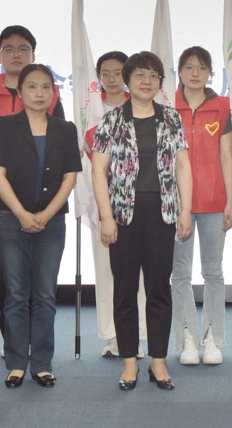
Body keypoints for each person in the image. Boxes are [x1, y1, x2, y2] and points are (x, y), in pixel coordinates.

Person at [91, 51, 193, 391]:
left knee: (159, 289)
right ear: (127, 80)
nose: (146, 82)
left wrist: (185, 210)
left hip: (162, 214)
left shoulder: (171, 118)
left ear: (160, 83)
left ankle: (158, 362)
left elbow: (183, 166)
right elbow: (98, 171)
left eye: (153, 76)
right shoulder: (111, 120)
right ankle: (130, 363)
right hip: (123, 217)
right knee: (124, 290)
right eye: (139, 75)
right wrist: (106, 217)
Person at [0, 64, 82, 388]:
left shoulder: (65, 129)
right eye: (32, 87)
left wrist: (45, 214)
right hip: (10, 220)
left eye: (45, 87)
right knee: (15, 294)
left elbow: (70, 177)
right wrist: (22, 214)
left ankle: (41, 363)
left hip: (51, 222)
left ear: (53, 92)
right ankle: (16, 363)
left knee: (45, 295)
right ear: (20, 91)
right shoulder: (4, 126)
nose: (39, 93)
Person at [0, 25, 64, 346]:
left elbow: (61, 150)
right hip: (1, 200)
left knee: (41, 281)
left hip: (44, 203)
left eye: (23, 49)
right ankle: (14, 342)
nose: (16, 55)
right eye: (9, 49)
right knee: (8, 278)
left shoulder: (50, 97)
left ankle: (37, 343)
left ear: (33, 54)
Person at [172, 46, 232, 365]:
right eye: (189, 67)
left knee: (213, 271)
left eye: (202, 67)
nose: (195, 73)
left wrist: (230, 201)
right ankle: (187, 338)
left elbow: (226, 155)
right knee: (180, 274)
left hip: (213, 201)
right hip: (176, 204)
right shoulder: (167, 106)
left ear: (211, 72)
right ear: (179, 72)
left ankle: (212, 338)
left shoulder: (222, 106)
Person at [85, 50, 148, 359]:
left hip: (141, 202)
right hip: (103, 203)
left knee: (140, 275)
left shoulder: (141, 106)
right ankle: (113, 335)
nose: (111, 79)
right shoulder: (89, 112)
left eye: (117, 72)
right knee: (108, 271)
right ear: (98, 78)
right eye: (105, 73)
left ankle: (139, 335)